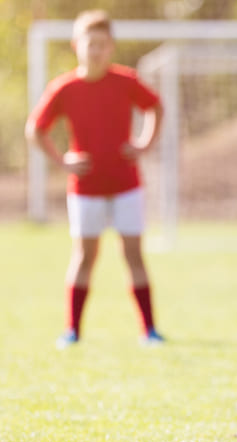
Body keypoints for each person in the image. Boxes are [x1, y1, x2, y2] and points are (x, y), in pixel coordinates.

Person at [25, 9, 165, 349]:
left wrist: (144, 143)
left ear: (111, 47)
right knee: (84, 257)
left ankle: (148, 331)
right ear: (77, 45)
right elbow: (35, 130)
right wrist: (63, 161)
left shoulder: (126, 80)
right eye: (90, 43)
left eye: (103, 44)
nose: (96, 50)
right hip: (85, 189)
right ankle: (72, 330)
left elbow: (156, 107)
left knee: (134, 255)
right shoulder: (65, 87)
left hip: (126, 185)